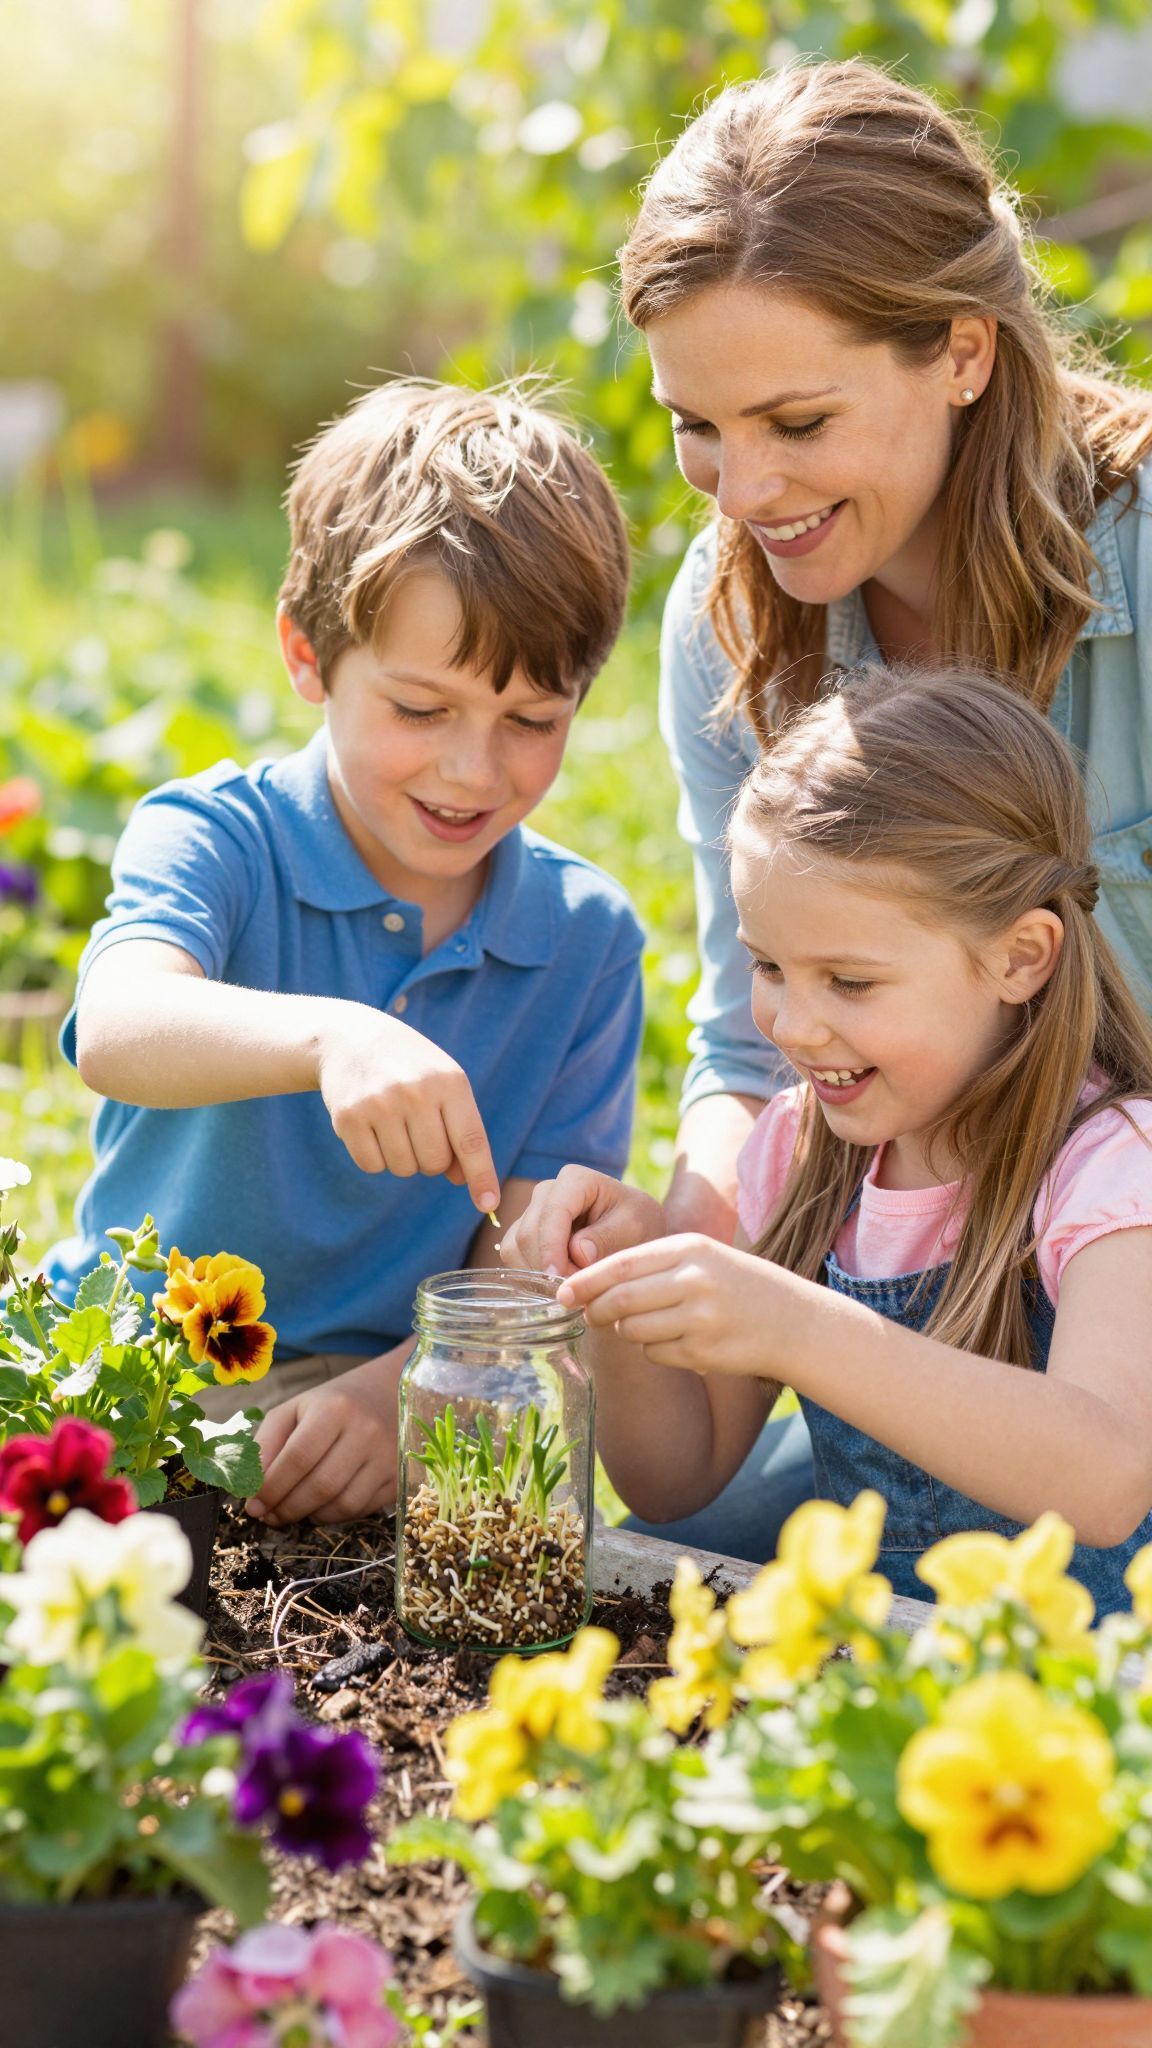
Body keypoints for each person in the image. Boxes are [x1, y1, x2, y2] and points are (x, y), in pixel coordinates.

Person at [609, 57, 1152, 1552]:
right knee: (695, 1559)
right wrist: (680, 1261)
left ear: (962, 352)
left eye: (796, 420)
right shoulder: (730, 629)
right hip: (938, 1312)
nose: (742, 489)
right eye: (695, 426)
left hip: (1124, 1291)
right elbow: (744, 1034)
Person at [47, 380, 643, 1527]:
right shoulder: (218, 836)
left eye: (532, 720)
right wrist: (331, 1035)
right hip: (142, 1379)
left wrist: (393, 1395)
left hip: (393, 1397)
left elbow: (520, 1241)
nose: (474, 770)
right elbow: (119, 1028)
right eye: (422, 709)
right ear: (308, 655)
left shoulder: (585, 939)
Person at [503, 668, 1152, 1613]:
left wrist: (803, 1329)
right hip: (876, 1681)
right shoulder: (807, 1154)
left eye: (849, 982)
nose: (793, 1026)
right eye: (768, 966)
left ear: (1019, 957)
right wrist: (625, 1276)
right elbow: (677, 1477)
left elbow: (1106, 1475)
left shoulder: (1110, 1165)